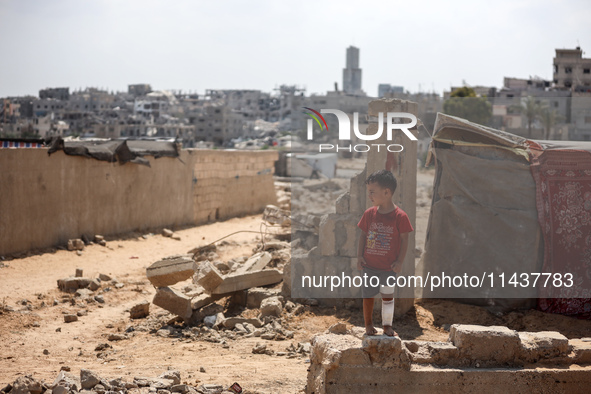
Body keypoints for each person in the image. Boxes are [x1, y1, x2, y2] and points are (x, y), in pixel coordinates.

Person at [357, 169, 414, 337]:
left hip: (388, 268)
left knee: (388, 297)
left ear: (387, 192)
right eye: (369, 192)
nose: (370, 196)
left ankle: (387, 326)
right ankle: (368, 326)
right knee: (367, 296)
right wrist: (359, 256)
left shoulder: (400, 216)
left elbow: (405, 240)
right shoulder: (369, 214)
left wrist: (400, 262)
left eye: (372, 192)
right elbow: (363, 235)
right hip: (369, 266)